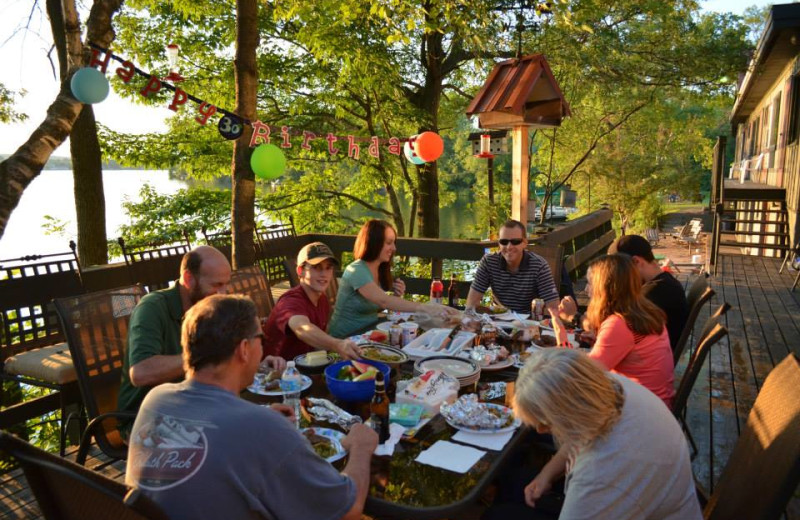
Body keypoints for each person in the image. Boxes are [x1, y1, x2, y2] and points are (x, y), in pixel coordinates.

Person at [126, 294, 378, 520]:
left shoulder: (156, 399)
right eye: (261, 338)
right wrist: (361, 446)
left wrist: (260, 420)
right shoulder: (261, 428)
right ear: (244, 349)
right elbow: (348, 509)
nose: (263, 347)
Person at [500, 348, 701, 520]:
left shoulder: (601, 474)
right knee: (513, 481)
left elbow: (598, 482)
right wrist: (547, 473)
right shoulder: (609, 388)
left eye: (544, 422)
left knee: (499, 514)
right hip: (644, 499)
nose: (541, 430)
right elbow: (579, 433)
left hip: (622, 501)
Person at [118, 245, 284, 431]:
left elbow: (223, 360)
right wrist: (206, 355)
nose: (223, 293)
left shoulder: (209, 308)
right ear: (189, 279)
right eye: (216, 285)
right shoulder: (152, 307)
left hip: (201, 403)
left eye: (226, 284)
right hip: (150, 419)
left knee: (273, 421)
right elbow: (140, 373)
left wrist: (259, 366)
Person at [328, 219, 458, 338]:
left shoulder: (378, 269)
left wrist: (395, 296)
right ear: (374, 243)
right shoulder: (356, 270)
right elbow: (384, 301)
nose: (394, 248)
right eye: (389, 243)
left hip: (368, 334)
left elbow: (378, 305)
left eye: (394, 243)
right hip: (344, 339)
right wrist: (428, 308)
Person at [583, 254, 674, 407]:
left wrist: (562, 339)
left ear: (603, 288)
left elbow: (585, 377)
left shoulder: (619, 324)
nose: (587, 290)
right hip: (657, 402)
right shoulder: (644, 310)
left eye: (590, 283)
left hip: (638, 411)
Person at [465, 219, 568, 346]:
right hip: (497, 327)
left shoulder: (539, 266)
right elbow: (471, 304)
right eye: (504, 241)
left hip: (528, 329)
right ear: (499, 244)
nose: (509, 247)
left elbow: (553, 307)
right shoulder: (489, 262)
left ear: (525, 243)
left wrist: (565, 316)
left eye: (515, 241)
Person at [263, 242, 361, 360]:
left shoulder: (322, 299)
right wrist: (338, 344)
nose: (324, 274)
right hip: (279, 373)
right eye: (316, 268)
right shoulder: (290, 301)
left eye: (328, 267)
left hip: (307, 366)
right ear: (300, 271)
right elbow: (302, 328)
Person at [608, 234, 689, 352]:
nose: (618, 276)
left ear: (636, 261)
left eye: (619, 269)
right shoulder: (663, 283)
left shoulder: (656, 292)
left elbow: (619, 329)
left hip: (651, 360)